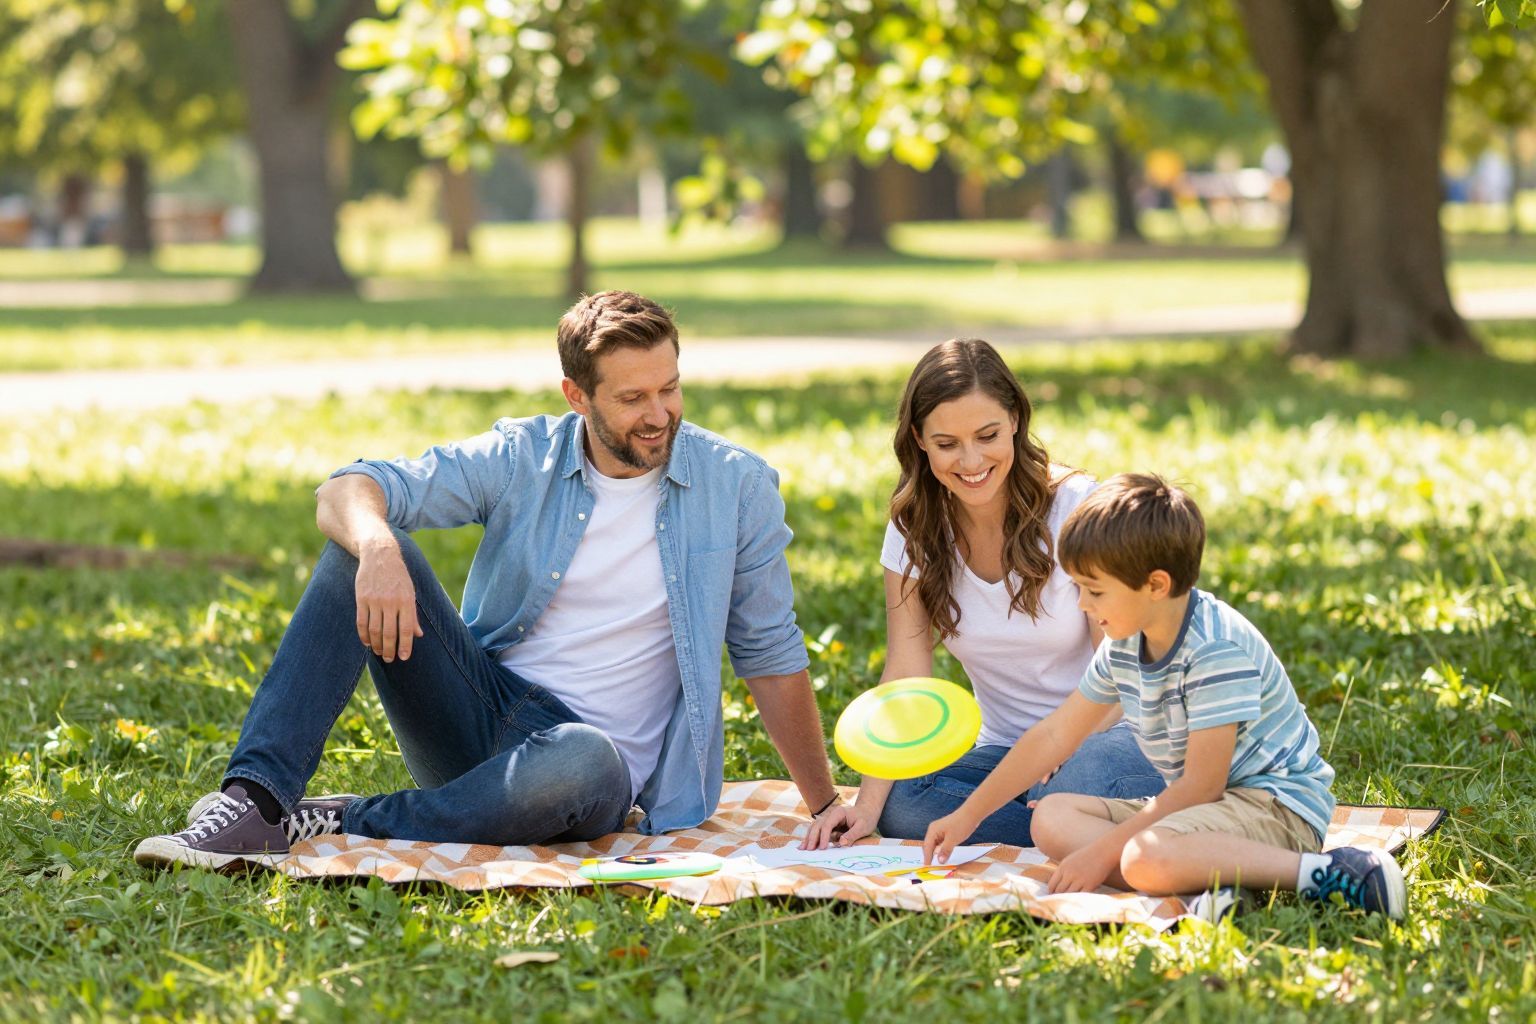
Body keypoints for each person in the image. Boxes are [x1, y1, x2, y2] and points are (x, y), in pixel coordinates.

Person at [135, 290, 838, 870]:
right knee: (361, 546)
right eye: (632, 399)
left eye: (670, 388)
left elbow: (769, 654)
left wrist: (826, 802)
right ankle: (257, 801)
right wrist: (378, 545)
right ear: (577, 396)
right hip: (478, 716)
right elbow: (346, 489)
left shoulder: (736, 485)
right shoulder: (521, 455)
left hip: (587, 770)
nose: (659, 415)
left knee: (583, 757)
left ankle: (341, 818)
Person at [922, 474, 1406, 918]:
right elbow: (1054, 734)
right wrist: (968, 815)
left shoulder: (1214, 649)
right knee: (1051, 817)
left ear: (1155, 585)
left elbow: (1202, 787)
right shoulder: (1126, 641)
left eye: (1094, 591)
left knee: (1139, 857)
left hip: (1274, 808)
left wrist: (1101, 852)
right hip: (1205, 816)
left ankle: (1333, 873)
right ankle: (1213, 889)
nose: (1084, 605)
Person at [802, 339, 1162, 851]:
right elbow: (907, 669)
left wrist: (1066, 749)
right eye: (946, 443)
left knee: (1080, 782)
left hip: (1107, 736)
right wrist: (866, 807)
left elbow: (1120, 663)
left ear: (1015, 419)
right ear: (920, 442)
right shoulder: (912, 531)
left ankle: (1072, 816)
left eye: (987, 435)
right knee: (904, 802)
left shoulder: (1078, 507)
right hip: (1007, 752)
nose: (971, 461)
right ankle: (1075, 828)